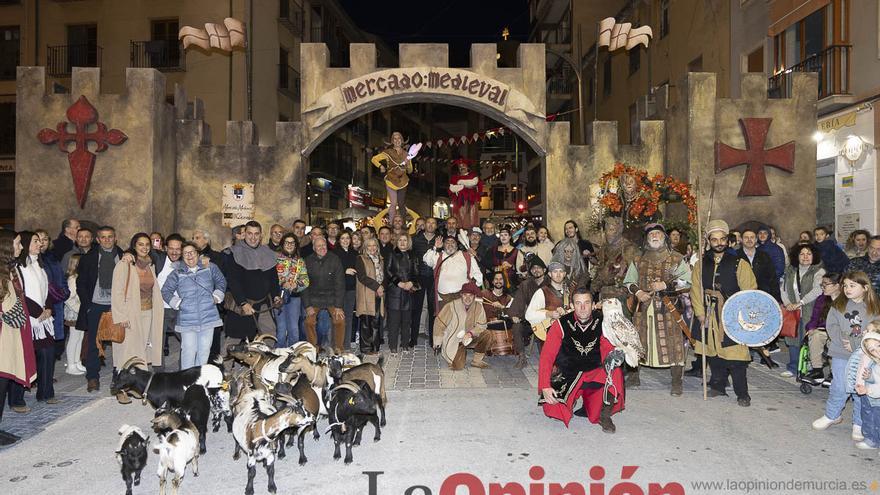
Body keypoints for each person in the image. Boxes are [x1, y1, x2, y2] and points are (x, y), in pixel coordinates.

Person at [691, 219, 758, 407]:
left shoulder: (739, 263)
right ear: (709, 241)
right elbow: (695, 289)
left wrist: (740, 315)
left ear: (728, 240)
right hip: (708, 313)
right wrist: (699, 313)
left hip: (731, 316)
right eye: (714, 239)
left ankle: (742, 393)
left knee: (736, 356)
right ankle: (718, 385)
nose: (719, 243)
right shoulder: (701, 264)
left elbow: (750, 291)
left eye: (722, 239)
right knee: (712, 353)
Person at [538, 288, 625, 432]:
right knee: (553, 410)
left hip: (594, 372)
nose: (583, 307)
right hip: (568, 372)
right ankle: (571, 399)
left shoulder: (603, 322)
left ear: (594, 304)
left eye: (587, 303)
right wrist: (545, 386)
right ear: (572, 306)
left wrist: (613, 356)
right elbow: (547, 356)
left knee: (613, 367)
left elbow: (606, 348)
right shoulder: (560, 324)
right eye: (578, 303)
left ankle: (604, 415)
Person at [622, 224, 691, 394]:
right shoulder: (638, 259)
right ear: (646, 238)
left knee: (673, 343)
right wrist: (638, 292)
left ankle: (676, 381)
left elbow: (687, 282)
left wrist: (665, 284)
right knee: (637, 341)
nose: (654, 236)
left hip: (668, 307)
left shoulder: (676, 258)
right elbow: (628, 281)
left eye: (658, 233)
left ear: (664, 237)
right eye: (651, 234)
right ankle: (633, 376)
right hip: (643, 308)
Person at [813, 271, 880, 441]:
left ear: (865, 288)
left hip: (865, 356)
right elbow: (831, 326)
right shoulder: (838, 305)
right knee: (839, 386)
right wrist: (842, 341)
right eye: (845, 286)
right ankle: (832, 415)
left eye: (852, 285)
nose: (847, 289)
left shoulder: (874, 308)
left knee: (860, 388)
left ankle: (858, 423)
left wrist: (857, 345)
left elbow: (875, 332)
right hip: (841, 353)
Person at [111, 233, 164, 403]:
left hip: (148, 313)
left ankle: (135, 386)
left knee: (140, 351)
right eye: (140, 244)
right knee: (126, 352)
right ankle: (119, 388)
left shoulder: (150, 264)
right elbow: (117, 292)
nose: (144, 247)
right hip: (130, 314)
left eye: (147, 244)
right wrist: (121, 316)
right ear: (134, 246)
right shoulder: (125, 264)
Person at [161, 242, 226, 369]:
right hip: (187, 320)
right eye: (185, 253)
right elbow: (165, 291)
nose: (189, 256)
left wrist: (217, 296)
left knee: (204, 352)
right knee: (188, 351)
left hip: (209, 317)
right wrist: (178, 303)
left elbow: (221, 281)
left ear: (198, 253)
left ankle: (199, 383)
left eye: (192, 252)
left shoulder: (210, 267)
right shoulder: (177, 273)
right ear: (182, 256)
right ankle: (187, 381)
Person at [75, 225, 125, 392]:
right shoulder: (89, 258)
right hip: (95, 304)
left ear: (115, 238)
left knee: (119, 341)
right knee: (94, 343)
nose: (107, 240)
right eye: (103, 237)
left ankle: (118, 376)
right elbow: (80, 283)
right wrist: (88, 305)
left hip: (117, 305)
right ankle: (92, 377)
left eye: (110, 236)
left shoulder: (123, 257)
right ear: (98, 240)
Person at [0, 230, 35, 445]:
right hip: (3, 334)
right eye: (17, 243)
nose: (20, 247)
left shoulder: (9, 270)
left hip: (11, 334)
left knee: (3, 383)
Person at [16, 231, 59, 406]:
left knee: (48, 353)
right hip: (30, 318)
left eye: (41, 241)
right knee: (25, 358)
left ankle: (46, 392)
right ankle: (16, 398)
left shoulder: (39, 265)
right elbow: (21, 294)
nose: (40, 244)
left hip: (43, 318)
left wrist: (48, 307)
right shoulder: (19, 267)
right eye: (35, 241)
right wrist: (37, 311)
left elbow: (45, 289)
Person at [224, 221, 281, 341]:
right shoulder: (233, 253)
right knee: (236, 341)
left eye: (256, 234)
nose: (253, 237)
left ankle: (264, 360)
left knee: (270, 336)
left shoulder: (268, 253)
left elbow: (273, 279)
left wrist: (276, 295)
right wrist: (243, 303)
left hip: (263, 303)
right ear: (245, 234)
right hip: (242, 304)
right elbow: (234, 282)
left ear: (261, 235)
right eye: (250, 233)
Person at [780, 243, 825, 377]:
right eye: (802, 254)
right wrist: (787, 303)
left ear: (814, 256)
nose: (805, 257)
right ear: (797, 256)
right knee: (792, 337)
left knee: (809, 338)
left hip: (810, 309)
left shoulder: (819, 271)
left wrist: (801, 302)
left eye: (809, 254)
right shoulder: (790, 270)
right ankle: (793, 367)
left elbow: (818, 290)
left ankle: (810, 366)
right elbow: (782, 288)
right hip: (792, 310)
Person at [432, 282, 491, 370]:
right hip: (455, 340)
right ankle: (455, 356)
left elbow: (482, 325)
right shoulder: (451, 306)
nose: (467, 298)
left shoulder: (478, 307)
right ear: (461, 295)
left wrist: (471, 333)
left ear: (474, 296)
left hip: (469, 337)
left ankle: (477, 360)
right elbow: (439, 324)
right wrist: (437, 342)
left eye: (470, 295)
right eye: (465, 295)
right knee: (458, 367)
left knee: (487, 334)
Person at [304, 237, 346, 353]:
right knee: (309, 321)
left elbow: (340, 284)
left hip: (332, 297)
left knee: (340, 320)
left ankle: (338, 348)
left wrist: (338, 306)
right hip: (314, 298)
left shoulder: (335, 259)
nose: (322, 248)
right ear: (314, 248)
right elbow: (304, 286)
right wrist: (308, 306)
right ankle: (313, 349)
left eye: (324, 245)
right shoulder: (307, 261)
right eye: (319, 246)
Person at [423, 235, 483, 311]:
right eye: (447, 242)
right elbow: (427, 260)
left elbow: (479, 276)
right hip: (443, 299)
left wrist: (470, 291)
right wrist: (435, 247)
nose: (450, 244)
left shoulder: (467, 256)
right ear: (443, 245)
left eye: (453, 242)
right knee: (445, 322)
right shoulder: (437, 256)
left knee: (463, 322)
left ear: (457, 245)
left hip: (463, 299)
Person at [802, 272, 841, 385]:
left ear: (837, 285)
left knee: (834, 341)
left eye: (825, 284)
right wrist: (811, 328)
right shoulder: (821, 299)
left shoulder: (846, 301)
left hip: (839, 332)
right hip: (823, 330)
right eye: (822, 284)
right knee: (815, 335)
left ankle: (834, 372)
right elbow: (814, 318)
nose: (823, 287)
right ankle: (817, 370)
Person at [509, 257, 548, 368]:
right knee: (517, 326)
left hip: (548, 319)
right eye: (533, 268)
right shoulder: (525, 284)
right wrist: (514, 315)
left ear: (544, 270)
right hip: (530, 319)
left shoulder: (550, 283)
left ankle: (549, 361)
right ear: (530, 271)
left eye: (539, 268)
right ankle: (522, 357)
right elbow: (519, 300)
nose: (536, 270)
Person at [273, 233, 309, 348]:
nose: (289, 245)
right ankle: (279, 354)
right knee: (281, 330)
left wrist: (296, 285)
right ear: (282, 244)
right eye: (287, 242)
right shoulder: (275, 259)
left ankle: (293, 355)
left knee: (294, 329)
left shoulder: (300, 261)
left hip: (294, 298)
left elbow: (306, 280)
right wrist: (282, 282)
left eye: (292, 243)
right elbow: (270, 278)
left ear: (296, 245)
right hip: (278, 297)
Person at [371, 131, 415, 224]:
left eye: (399, 138)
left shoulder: (407, 155)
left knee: (401, 204)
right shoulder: (388, 152)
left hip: (403, 181)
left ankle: (403, 226)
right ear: (392, 141)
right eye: (395, 138)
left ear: (402, 140)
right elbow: (374, 159)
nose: (397, 140)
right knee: (394, 203)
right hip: (391, 180)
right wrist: (380, 166)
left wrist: (408, 165)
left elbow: (410, 171)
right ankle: (391, 225)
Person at [592, 217, 639, 302]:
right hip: (604, 294)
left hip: (622, 294)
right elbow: (600, 270)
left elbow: (633, 275)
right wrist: (592, 289)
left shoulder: (628, 248)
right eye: (606, 230)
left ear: (619, 231)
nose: (607, 233)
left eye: (611, 229)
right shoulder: (604, 248)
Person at [385, 234, 418, 354]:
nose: (403, 242)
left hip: (408, 292)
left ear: (408, 242)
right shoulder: (392, 254)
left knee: (406, 321)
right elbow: (388, 271)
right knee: (394, 321)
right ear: (397, 242)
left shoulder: (412, 255)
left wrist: (411, 282)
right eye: (400, 240)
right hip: (395, 291)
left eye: (405, 240)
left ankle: (405, 345)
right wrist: (398, 283)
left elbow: (416, 272)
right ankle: (393, 346)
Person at [848, 324, 880, 449]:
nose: (876, 351)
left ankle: (874, 440)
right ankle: (871, 439)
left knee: (875, 421)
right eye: (872, 350)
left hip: (875, 397)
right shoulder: (876, 362)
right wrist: (869, 377)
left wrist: (867, 389)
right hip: (871, 397)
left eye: (878, 346)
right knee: (868, 417)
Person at [526, 262, 573, 341]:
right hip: (549, 333)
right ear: (550, 274)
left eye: (561, 271)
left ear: (565, 274)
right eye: (555, 272)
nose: (558, 274)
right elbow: (529, 315)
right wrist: (548, 314)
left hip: (567, 332)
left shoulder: (570, 291)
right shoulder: (541, 292)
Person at [411, 217, 439, 343]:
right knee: (416, 308)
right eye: (429, 222)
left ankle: (433, 339)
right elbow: (409, 257)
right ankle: (413, 338)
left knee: (433, 309)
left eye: (433, 223)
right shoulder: (415, 239)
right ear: (424, 225)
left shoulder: (440, 240)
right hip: (418, 277)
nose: (431, 225)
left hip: (434, 278)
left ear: (436, 226)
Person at [156, 234, 184, 359]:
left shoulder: (186, 262)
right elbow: (140, 253)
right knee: (158, 344)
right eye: (171, 248)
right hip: (160, 309)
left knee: (187, 342)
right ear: (165, 248)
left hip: (180, 310)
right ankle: (159, 374)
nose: (174, 252)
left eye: (178, 249)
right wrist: (128, 254)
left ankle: (184, 371)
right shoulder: (159, 260)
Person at [355, 238, 385, 355]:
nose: (372, 248)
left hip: (378, 294)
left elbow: (384, 275)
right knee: (366, 322)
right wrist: (377, 286)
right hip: (366, 293)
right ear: (365, 248)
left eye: (374, 246)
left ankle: (375, 347)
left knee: (376, 321)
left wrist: (382, 287)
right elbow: (362, 277)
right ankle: (366, 348)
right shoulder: (360, 259)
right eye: (369, 246)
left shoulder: (381, 259)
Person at [737, 229, 780, 302]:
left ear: (756, 239)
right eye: (746, 237)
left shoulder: (764, 256)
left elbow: (773, 278)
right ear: (741, 239)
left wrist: (776, 299)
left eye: (752, 237)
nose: (749, 240)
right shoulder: (735, 256)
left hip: (763, 297)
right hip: (742, 297)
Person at [63, 253, 86, 376]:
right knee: (74, 338)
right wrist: (78, 308)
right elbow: (68, 298)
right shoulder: (73, 278)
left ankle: (77, 362)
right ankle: (71, 364)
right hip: (74, 312)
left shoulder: (80, 277)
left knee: (80, 337)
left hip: (80, 311)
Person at [335, 231, 358, 348]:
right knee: (339, 318)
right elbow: (332, 271)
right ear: (339, 240)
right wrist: (344, 271)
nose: (345, 240)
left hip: (351, 289)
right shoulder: (335, 254)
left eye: (347, 238)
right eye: (343, 238)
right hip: (339, 290)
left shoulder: (354, 253)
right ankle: (338, 344)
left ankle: (347, 344)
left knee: (349, 317)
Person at [448, 159, 483, 230]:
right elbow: (452, 188)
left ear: (467, 167)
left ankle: (472, 230)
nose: (462, 167)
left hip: (471, 201)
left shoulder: (473, 175)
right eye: (460, 166)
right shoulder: (454, 177)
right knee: (459, 217)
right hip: (458, 202)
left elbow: (474, 182)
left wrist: (460, 182)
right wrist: (464, 186)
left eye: (463, 166)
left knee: (471, 216)